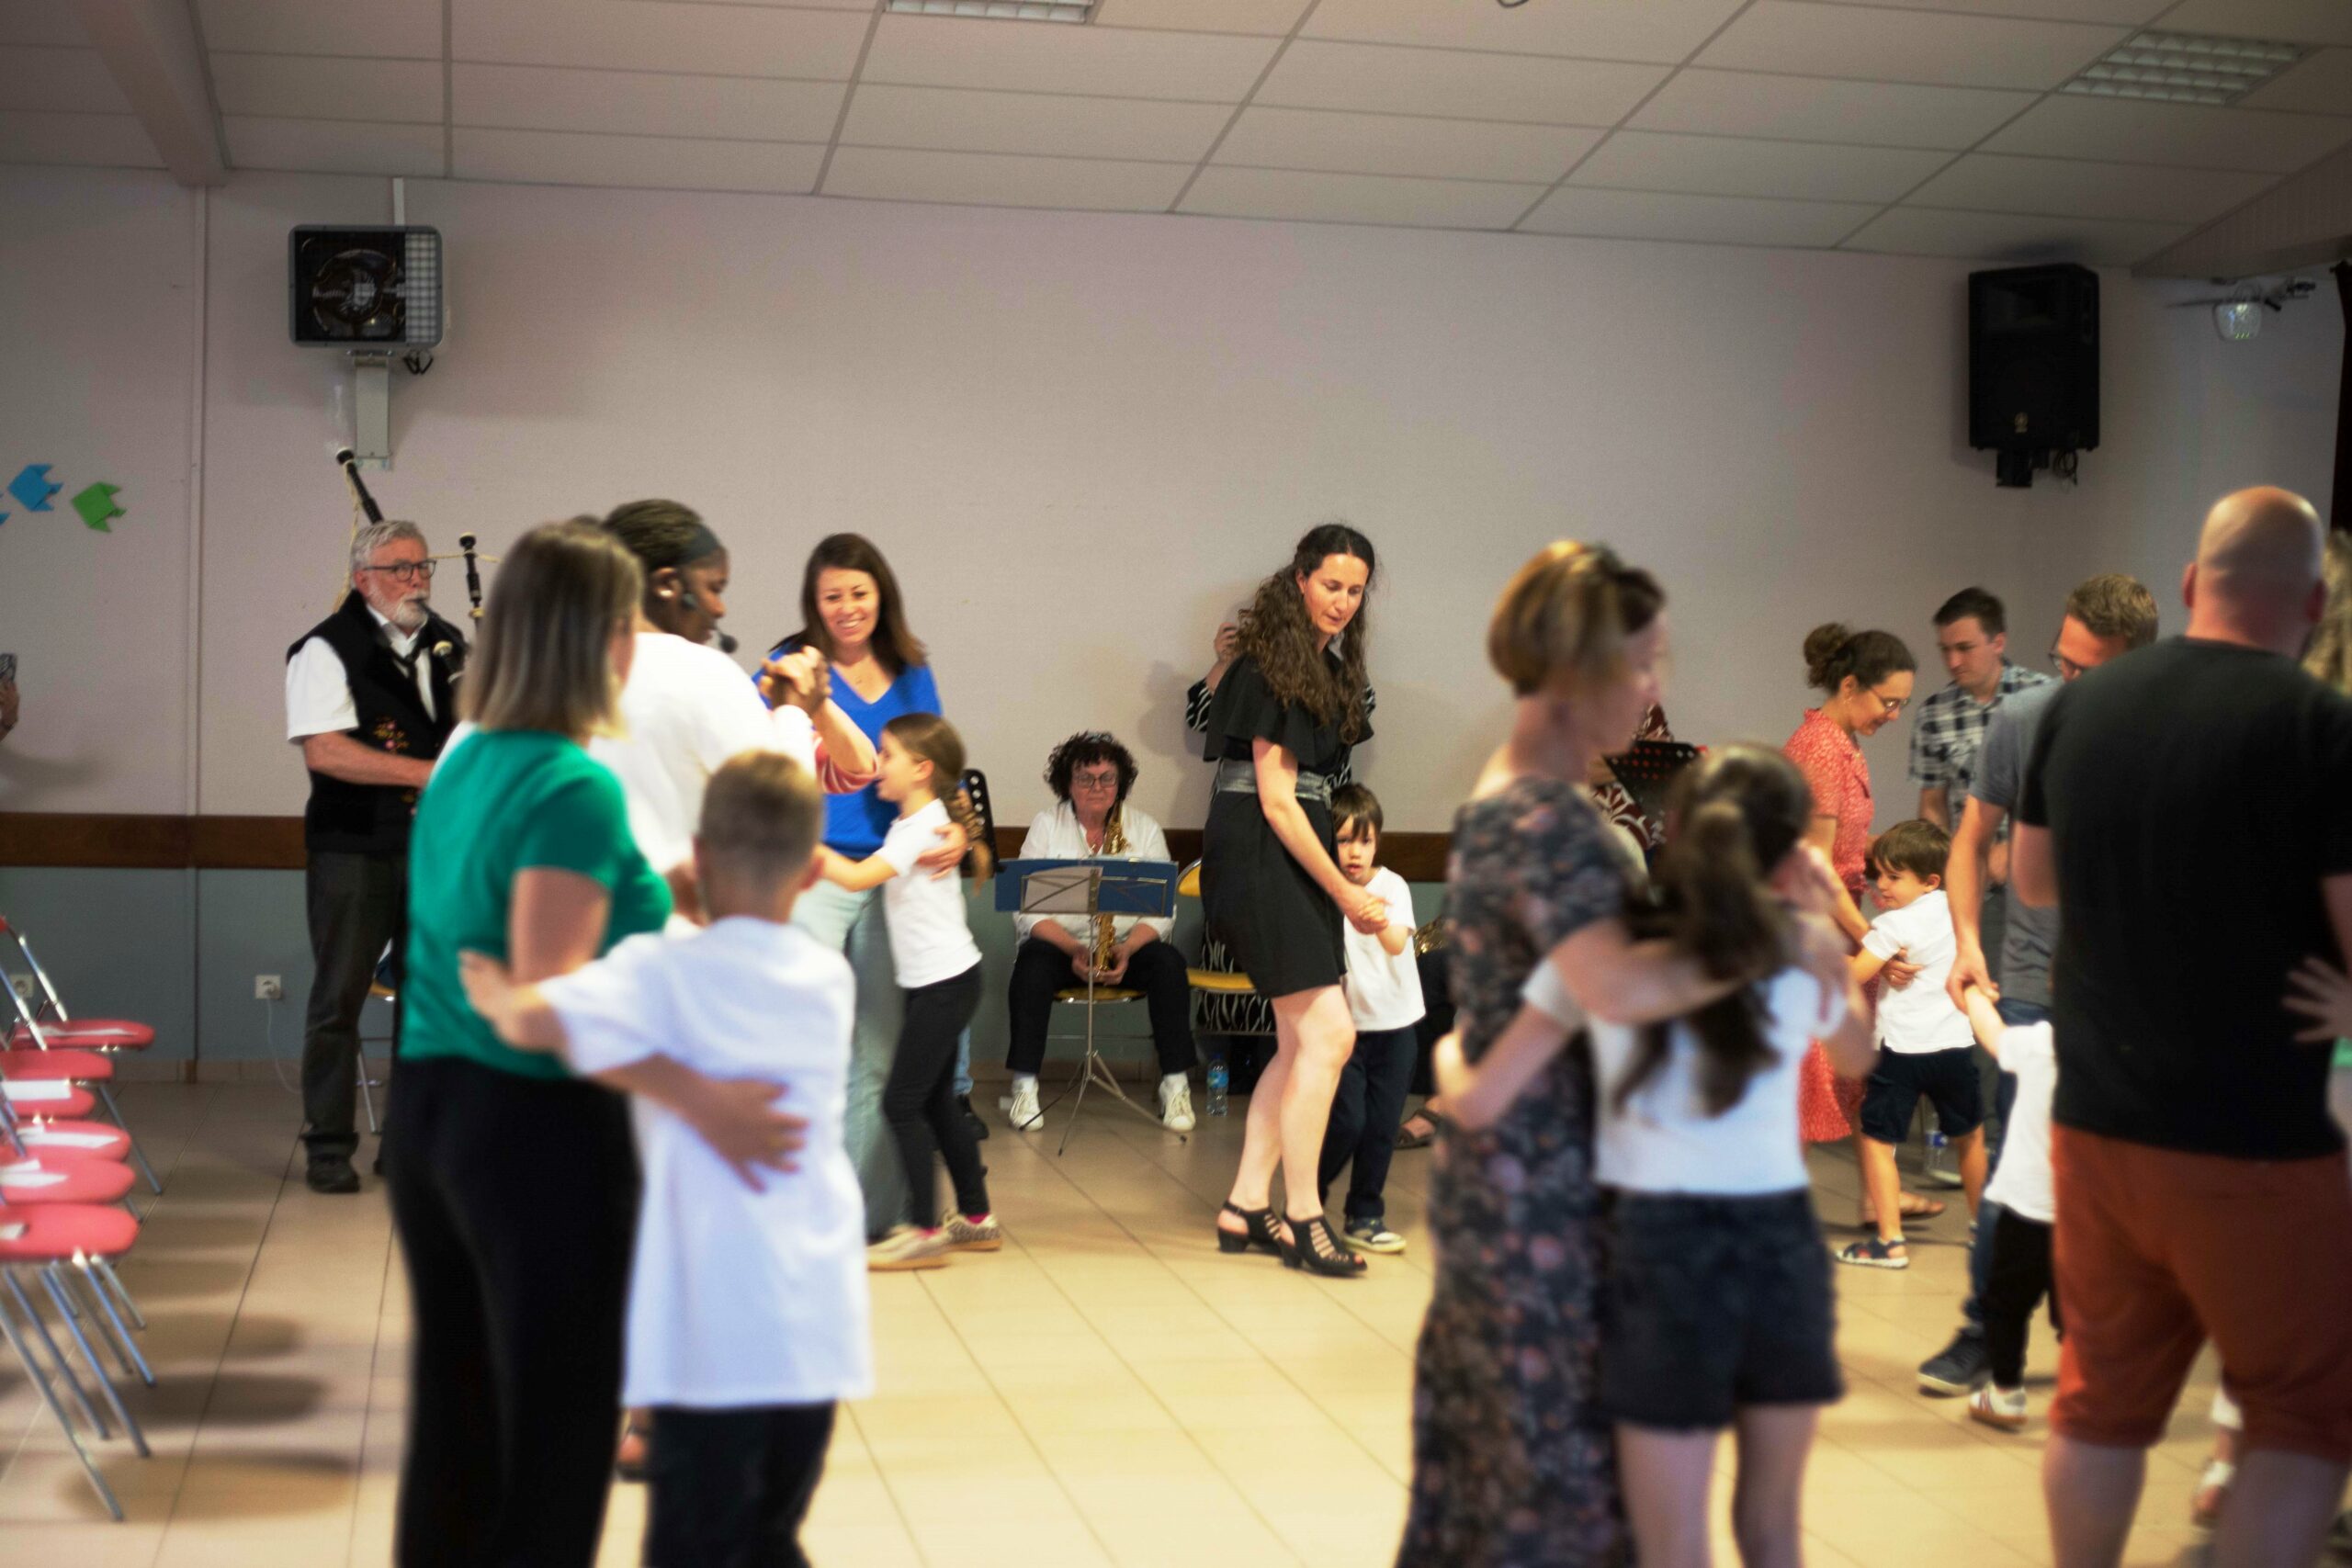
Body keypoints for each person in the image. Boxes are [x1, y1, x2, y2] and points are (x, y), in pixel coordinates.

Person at [386, 520, 805, 1567]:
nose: (638, 646)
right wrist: (704, 1098)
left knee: (460, 1416)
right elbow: (552, 1007)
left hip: (433, 1105)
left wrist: (668, 890)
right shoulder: (568, 781)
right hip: (529, 1125)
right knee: (557, 1435)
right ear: (590, 637)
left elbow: (522, 926)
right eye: (626, 625)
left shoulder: (471, 755)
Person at [1399, 542, 1815, 1567]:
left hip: (1513, 1158)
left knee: (1505, 1471)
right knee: (1551, 1485)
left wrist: (1456, 1065)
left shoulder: (1510, 794)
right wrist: (1777, 936)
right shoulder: (1547, 818)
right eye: (1640, 663)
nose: (1654, 689)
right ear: (1577, 669)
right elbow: (1616, 989)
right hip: (1543, 1188)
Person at [2015, 487, 2352, 1568]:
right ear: (2311, 600)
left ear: (2194, 582)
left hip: (2096, 1124)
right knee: (2302, 1416)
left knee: (2099, 1401)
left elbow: (2034, 881)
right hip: (2251, 1138)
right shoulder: (2317, 726)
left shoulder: (2079, 706)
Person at [1434, 744, 1871, 1568]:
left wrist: (1450, 1053)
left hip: (1660, 1247)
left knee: (1671, 1543)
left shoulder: (1606, 952)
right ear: (1792, 847)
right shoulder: (1796, 946)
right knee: (1773, 1528)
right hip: (1779, 1243)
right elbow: (1855, 1053)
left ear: (1674, 828)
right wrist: (1824, 934)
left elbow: (1480, 1099)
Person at [456, 751, 868, 1568]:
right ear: (814, 869)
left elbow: (530, 1018)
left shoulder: (663, 969)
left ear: (699, 856)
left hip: (705, 1331)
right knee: (770, 1538)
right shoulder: (827, 977)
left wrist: (500, 991)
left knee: (694, 1546)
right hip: (812, 1325)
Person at [1917, 573, 2157, 1399]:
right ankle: (1985, 1333)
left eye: (2092, 669)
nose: (2071, 681)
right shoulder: (2024, 720)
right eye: (2064, 662)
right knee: (2018, 1175)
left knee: (2119, 1181)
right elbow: (1968, 837)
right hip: (2029, 979)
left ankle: (2099, 1337)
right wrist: (1965, 942)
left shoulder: (2168, 733)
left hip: (2131, 992)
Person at [764, 534, 967, 1240]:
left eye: (859, 592)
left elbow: (942, 766)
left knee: (877, 1056)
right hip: (810, 872)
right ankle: (782, 1203)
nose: (847, 607)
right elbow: (760, 760)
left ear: (882, 594)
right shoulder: (789, 665)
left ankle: (865, 1216)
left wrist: (960, 829)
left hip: (894, 876)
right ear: (813, 602)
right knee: (797, 1040)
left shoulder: (912, 671)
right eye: (832, 596)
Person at [1202, 523, 1385, 1278]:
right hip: (1258, 851)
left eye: (1355, 590)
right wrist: (1344, 890)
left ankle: (1246, 1204)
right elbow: (1277, 800)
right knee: (1330, 1034)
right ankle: (1305, 1213)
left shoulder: (1323, 666)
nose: (1342, 600)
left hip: (1290, 849)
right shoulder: (1269, 665)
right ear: (1301, 579)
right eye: (1331, 584)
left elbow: (1304, 798)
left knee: (1301, 1040)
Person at [283, 518, 470, 1194]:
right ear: (363, 579)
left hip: (434, 849)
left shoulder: (449, 645)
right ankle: (329, 1146)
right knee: (339, 998)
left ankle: (408, 1145)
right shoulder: (323, 649)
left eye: (423, 567)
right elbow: (325, 750)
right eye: (400, 569)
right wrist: (428, 775)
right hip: (353, 848)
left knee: (426, 997)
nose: (417, 580)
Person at [595, 500, 876, 910]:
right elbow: (784, 823)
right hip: (669, 923)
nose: (720, 609)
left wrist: (813, 710)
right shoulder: (703, 673)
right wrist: (796, 711)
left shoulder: (557, 678)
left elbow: (856, 768)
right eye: (713, 589)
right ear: (667, 585)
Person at [817, 714, 998, 1272]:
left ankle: (923, 1230)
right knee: (938, 1102)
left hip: (944, 985)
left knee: (901, 1103)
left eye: (887, 754)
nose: (877, 764)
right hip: (942, 984)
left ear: (921, 769)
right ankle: (975, 1218)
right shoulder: (919, 823)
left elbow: (854, 879)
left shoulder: (922, 827)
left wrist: (801, 844)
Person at [1782, 623, 1930, 1228]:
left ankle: (1877, 1198)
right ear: (1849, 686)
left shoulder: (1840, 741)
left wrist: (1894, 858)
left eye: (1901, 704)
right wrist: (1873, 938)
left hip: (1834, 921)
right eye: (1887, 701)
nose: (1893, 715)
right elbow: (1814, 865)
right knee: (1805, 1072)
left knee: (1845, 1067)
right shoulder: (1820, 748)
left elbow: (1839, 847)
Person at [1004, 730, 1196, 1134]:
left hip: (1126, 947)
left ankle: (1175, 1085)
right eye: (1085, 778)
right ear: (1067, 783)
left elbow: (1164, 911)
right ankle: (1025, 1087)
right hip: (1063, 947)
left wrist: (1128, 948)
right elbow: (1025, 909)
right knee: (1031, 965)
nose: (1097, 787)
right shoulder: (1046, 824)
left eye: (1107, 778)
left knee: (1169, 964)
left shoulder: (1144, 828)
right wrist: (1073, 947)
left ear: (1119, 782)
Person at [1836, 820, 1987, 1270]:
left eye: (1894, 876)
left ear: (1930, 880)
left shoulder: (1893, 924)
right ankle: (1983, 1230)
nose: (1882, 885)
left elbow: (1857, 974)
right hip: (1955, 1047)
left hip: (1901, 1053)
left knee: (1878, 1142)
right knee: (1970, 1137)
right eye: (1880, 874)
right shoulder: (1958, 913)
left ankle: (1890, 1242)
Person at [1314, 782, 1423, 1255]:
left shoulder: (1392, 886)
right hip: (1346, 1030)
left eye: (1365, 841)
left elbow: (1397, 942)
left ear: (1377, 843)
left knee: (1381, 1128)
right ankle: (1307, 1201)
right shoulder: (1323, 890)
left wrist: (1372, 916)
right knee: (1347, 1121)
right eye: (1343, 840)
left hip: (1397, 1029)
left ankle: (1364, 1215)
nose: (1355, 852)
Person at [1951, 980, 2059, 1436]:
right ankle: (2091, 1395)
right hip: (2090, 1215)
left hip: (2027, 1208)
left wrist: (1972, 991)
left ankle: (2007, 1392)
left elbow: (1992, 1035)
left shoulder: (2042, 1043)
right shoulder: (2122, 1057)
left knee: (2006, 1304)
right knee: (2080, 1315)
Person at [1909, 587, 2051, 831]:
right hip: (1969, 850)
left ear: (1998, 643)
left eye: (1964, 648)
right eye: (1945, 649)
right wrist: (1940, 853)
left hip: (2034, 849)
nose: (1953, 662)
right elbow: (1933, 805)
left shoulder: (2043, 697)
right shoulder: (1932, 714)